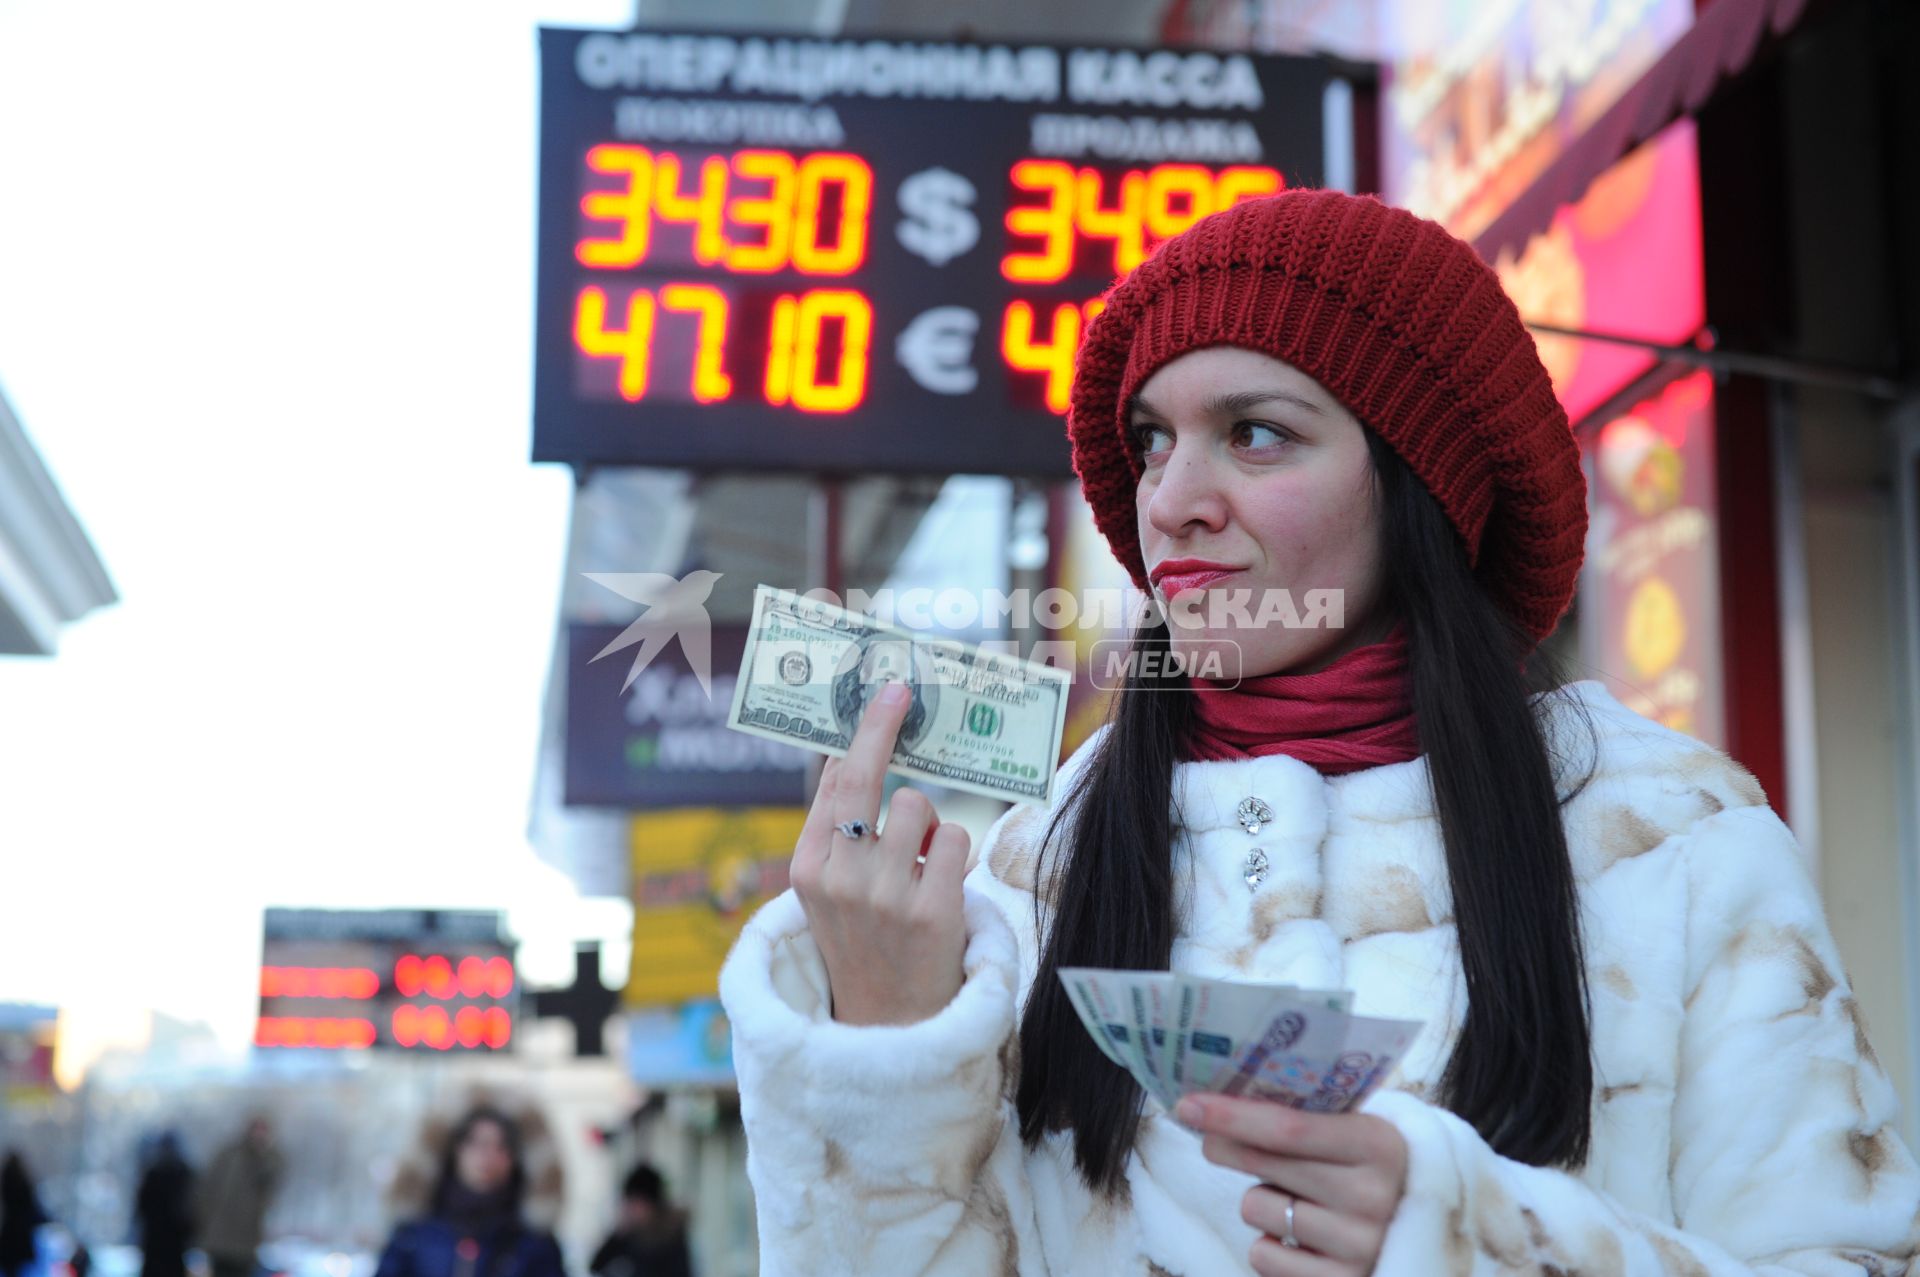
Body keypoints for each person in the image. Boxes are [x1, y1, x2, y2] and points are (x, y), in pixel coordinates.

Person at [718, 188, 1920, 1274]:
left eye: (1256, 432)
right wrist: (883, 1047)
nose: (1171, 496)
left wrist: (1473, 1240)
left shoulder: (1671, 838)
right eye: (1153, 438)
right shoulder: (1045, 858)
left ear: (1417, 490)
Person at [372, 1108, 563, 1277]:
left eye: (501, 1146)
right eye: (476, 1143)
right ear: (457, 1150)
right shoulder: (414, 1233)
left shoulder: (535, 1241)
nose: (487, 1155)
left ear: (514, 1158)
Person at [195, 1118, 282, 1277]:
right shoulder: (229, 1155)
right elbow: (208, 1190)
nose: (259, 1134)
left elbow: (270, 1189)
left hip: (245, 1242)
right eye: (257, 1129)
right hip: (220, 1237)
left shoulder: (267, 1159)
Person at [587, 1165, 690, 1277]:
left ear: (652, 1205)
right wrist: (618, 1235)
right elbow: (596, 1266)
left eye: (638, 1203)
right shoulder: (628, 1234)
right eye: (630, 1202)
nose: (633, 1209)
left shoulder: (670, 1238)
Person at [133, 1134, 194, 1277]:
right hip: (170, 1240)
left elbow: (142, 1206)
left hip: (162, 1240)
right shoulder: (183, 1173)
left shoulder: (154, 1173)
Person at [0, 1151, 48, 1277]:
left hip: (9, 1240)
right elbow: (35, 1210)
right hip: (22, 1242)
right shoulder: (25, 1186)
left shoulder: (7, 1185)